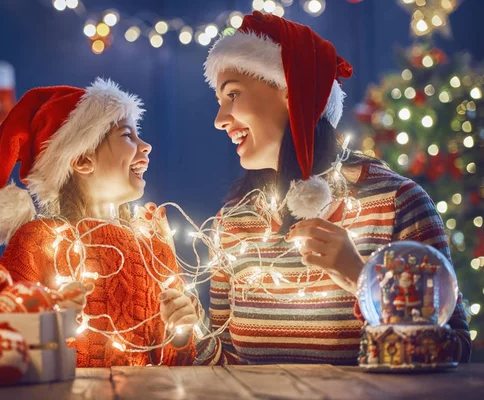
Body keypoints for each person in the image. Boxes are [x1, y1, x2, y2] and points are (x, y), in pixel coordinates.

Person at [195, 11, 470, 365]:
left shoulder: (398, 205)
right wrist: (192, 334)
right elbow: (227, 366)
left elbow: (458, 351)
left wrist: (361, 280)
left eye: (232, 94)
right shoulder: (233, 225)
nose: (220, 120)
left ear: (290, 90)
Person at [0, 79, 197, 367]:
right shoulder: (38, 242)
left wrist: (179, 332)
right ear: (82, 160)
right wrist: (54, 324)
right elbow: (0, 342)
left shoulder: (154, 245)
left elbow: (175, 366)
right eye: (127, 135)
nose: (146, 146)